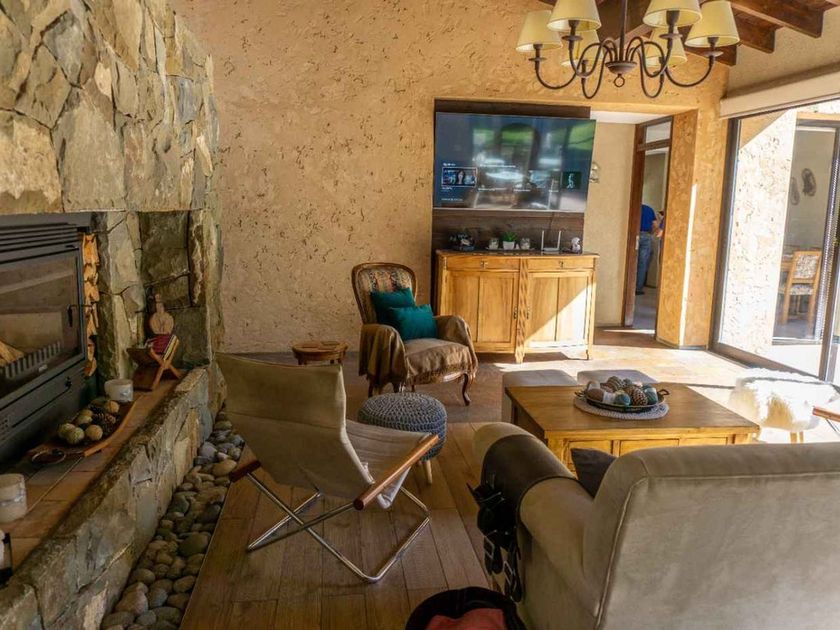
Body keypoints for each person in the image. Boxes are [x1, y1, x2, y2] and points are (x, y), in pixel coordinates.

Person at [636, 204, 661, 295]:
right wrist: (651, 233)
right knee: (642, 263)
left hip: (635, 235)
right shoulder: (649, 209)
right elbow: (655, 225)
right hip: (646, 236)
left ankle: (629, 285)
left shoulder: (634, 208)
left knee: (632, 261)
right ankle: (638, 288)